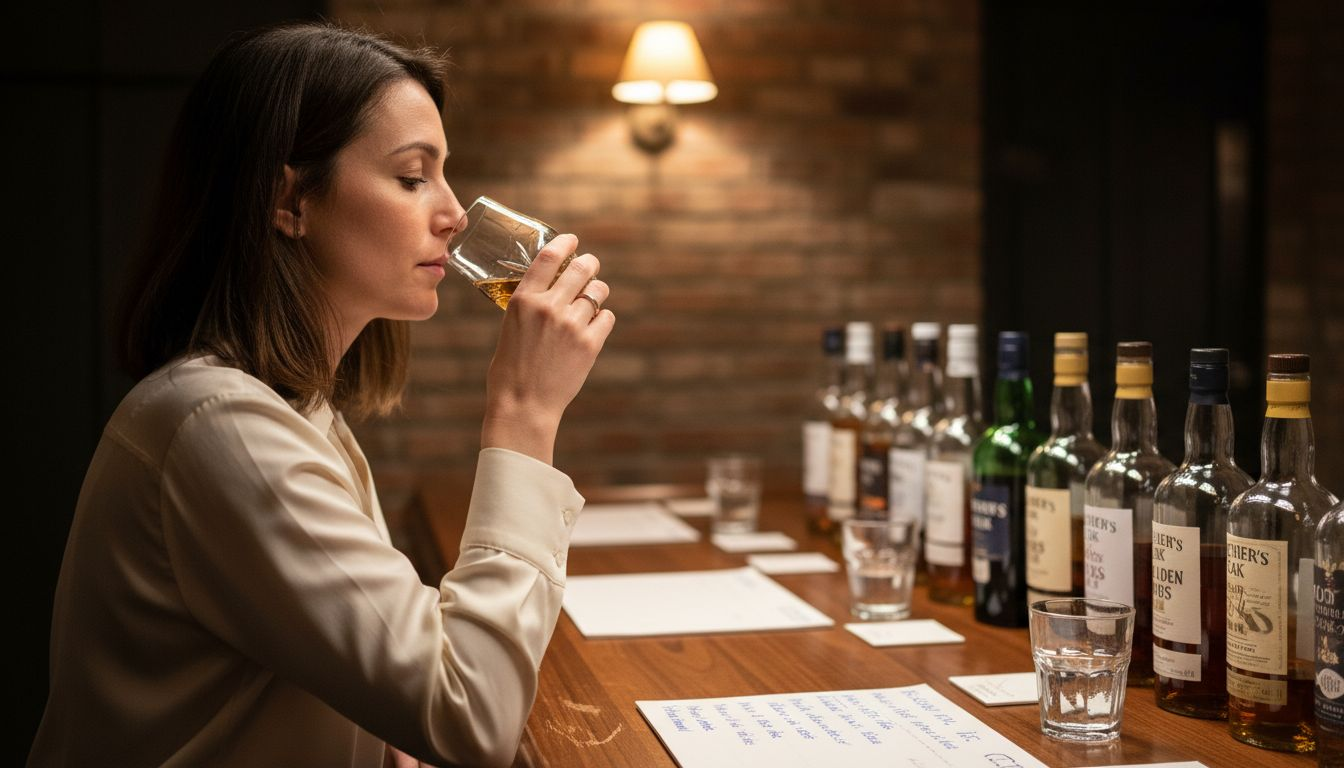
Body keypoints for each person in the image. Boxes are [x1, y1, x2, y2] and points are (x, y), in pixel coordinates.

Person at [28, 22, 612, 768]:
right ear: (292, 200)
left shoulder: (295, 409)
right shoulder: (221, 427)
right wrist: (526, 412)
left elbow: (365, 675)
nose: (455, 214)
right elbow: (472, 720)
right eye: (412, 177)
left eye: (444, 174)